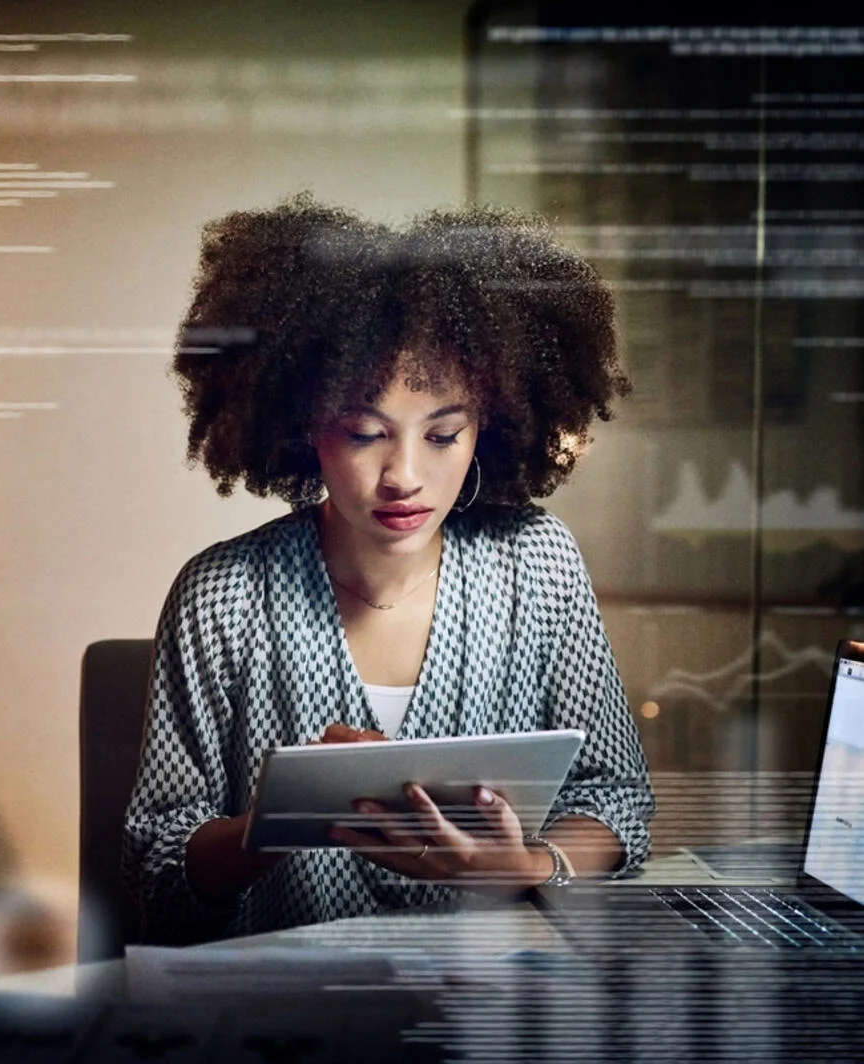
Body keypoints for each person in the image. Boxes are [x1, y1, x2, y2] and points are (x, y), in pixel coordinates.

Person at [122, 194, 656, 944]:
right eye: (366, 432)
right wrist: (277, 820)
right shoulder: (222, 596)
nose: (404, 474)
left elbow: (616, 799)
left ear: (489, 430)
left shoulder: (537, 563)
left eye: (443, 435)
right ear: (307, 429)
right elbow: (158, 874)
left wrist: (529, 865)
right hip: (285, 1016)